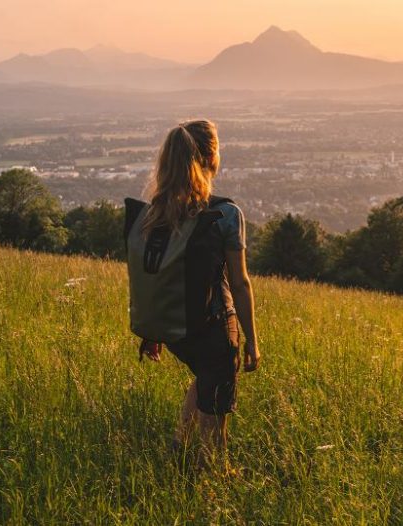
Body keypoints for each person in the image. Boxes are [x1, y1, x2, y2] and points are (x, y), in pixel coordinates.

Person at [136, 119, 260, 470]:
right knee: (215, 431)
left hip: (177, 330)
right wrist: (252, 341)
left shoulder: (156, 212)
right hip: (215, 328)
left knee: (204, 375)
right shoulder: (225, 214)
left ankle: (179, 448)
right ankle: (211, 483)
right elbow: (240, 283)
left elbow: (153, 275)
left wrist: (153, 330)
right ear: (210, 157)